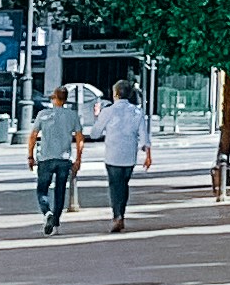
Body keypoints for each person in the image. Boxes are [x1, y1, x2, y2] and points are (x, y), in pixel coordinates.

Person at [95, 80, 153, 232]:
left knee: (115, 186)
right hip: (129, 155)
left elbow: (95, 133)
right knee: (124, 185)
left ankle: (117, 216)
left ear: (115, 94)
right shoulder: (137, 111)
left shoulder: (108, 111)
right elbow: (144, 135)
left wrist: (98, 117)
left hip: (113, 154)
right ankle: (122, 213)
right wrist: (148, 155)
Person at [29, 90, 85, 236]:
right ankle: (56, 222)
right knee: (60, 191)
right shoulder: (72, 115)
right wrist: (78, 159)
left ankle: (47, 212)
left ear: (54, 99)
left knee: (42, 190)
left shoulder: (42, 114)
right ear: (65, 99)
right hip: (64, 159)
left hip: (45, 158)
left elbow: (33, 136)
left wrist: (30, 156)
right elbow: (79, 138)